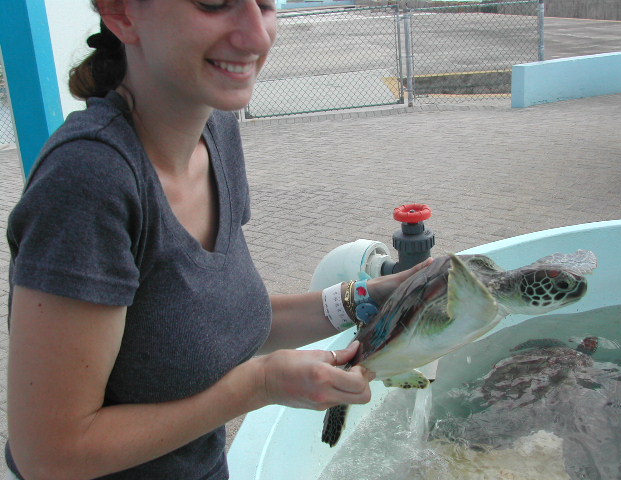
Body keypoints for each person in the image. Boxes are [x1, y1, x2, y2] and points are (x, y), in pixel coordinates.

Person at [4, 1, 432, 479]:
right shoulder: (90, 182)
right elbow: (49, 455)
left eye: (265, 3)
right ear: (122, 13)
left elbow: (217, 323)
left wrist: (368, 299)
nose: (257, 35)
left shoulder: (216, 131)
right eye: (213, 2)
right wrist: (256, 387)